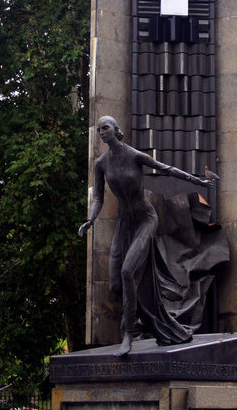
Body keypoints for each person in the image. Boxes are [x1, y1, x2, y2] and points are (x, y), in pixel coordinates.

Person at [78, 115, 212, 356]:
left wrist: (197, 181)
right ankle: (151, 317)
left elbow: (166, 169)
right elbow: (98, 197)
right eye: (98, 129)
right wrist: (90, 219)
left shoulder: (134, 155)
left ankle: (129, 332)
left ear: (116, 129)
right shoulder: (101, 164)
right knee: (117, 282)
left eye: (105, 128)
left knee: (128, 270)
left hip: (146, 219)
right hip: (125, 223)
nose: (101, 132)